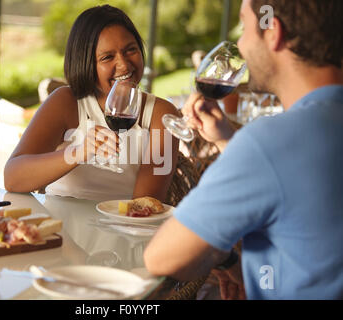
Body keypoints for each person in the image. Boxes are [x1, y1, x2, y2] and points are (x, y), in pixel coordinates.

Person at [144, 0, 343, 299]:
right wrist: (228, 141)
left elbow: (162, 257)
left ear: (273, 31)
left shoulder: (272, 142)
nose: (240, 44)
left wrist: (225, 258)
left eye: (244, 27)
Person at [4, 5, 179, 202]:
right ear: (86, 63)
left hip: (125, 229)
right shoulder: (65, 102)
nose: (123, 64)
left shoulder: (161, 114)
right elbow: (13, 178)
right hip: (58, 228)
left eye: (131, 50)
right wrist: (79, 153)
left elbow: (146, 205)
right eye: (107, 57)